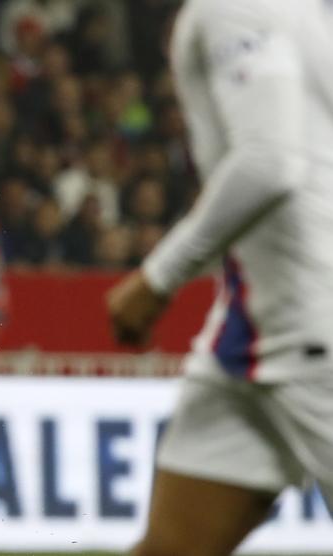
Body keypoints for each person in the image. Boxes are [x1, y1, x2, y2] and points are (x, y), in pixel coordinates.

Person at [106, 1, 333, 554]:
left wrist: (157, 278)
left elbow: (270, 161)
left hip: (310, 327)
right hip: (253, 340)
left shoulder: (233, 8)